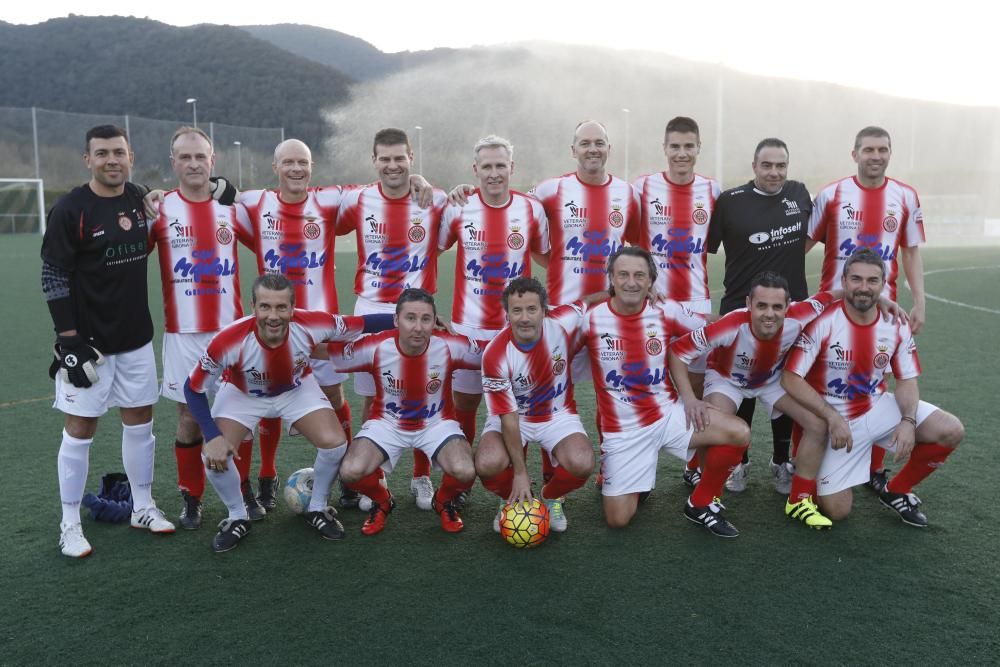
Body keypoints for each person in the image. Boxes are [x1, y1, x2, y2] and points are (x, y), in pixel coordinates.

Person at [669, 271, 906, 529]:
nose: (769, 314)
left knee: (817, 424)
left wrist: (881, 300)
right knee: (714, 425)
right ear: (748, 304)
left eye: (777, 307)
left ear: (788, 306)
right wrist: (690, 399)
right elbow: (678, 352)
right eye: (761, 306)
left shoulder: (801, 313)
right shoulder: (731, 324)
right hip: (727, 380)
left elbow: (833, 295)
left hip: (771, 381)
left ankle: (799, 499)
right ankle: (707, 493)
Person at [183, 273, 395, 552]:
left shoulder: (313, 323)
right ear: (253, 306)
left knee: (335, 444)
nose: (273, 315)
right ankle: (237, 516)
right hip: (242, 394)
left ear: (293, 308)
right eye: (265, 307)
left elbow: (365, 324)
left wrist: (409, 319)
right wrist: (211, 436)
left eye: (281, 307)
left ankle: (318, 507)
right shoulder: (230, 340)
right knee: (214, 455)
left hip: (294, 388)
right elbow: (192, 388)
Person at [41, 124, 174, 558]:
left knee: (141, 424)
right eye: (102, 153)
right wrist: (68, 340)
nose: (111, 160)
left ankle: (142, 506)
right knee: (80, 431)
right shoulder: (70, 209)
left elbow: (141, 190)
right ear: (88, 159)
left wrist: (148, 191)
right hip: (89, 346)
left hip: (135, 339)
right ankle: (70, 522)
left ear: (130, 156)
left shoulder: (138, 198)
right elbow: (53, 276)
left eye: (118, 152)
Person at [781, 248, 963, 527]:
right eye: (856, 279)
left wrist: (908, 420)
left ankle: (897, 490)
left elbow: (906, 380)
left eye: (872, 281)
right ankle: (812, 467)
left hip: (876, 407)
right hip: (835, 419)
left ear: (883, 284)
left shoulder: (895, 323)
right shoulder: (823, 320)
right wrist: (831, 417)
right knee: (837, 511)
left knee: (950, 430)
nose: (863, 287)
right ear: (844, 281)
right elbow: (791, 378)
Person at [580, 247, 750, 535]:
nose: (631, 282)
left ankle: (700, 502)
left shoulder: (666, 310)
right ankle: (635, 475)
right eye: (623, 275)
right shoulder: (590, 318)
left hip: (669, 415)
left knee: (739, 432)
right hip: (624, 433)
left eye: (639, 276)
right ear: (611, 278)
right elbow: (554, 319)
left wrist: (755, 323)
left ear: (651, 282)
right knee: (618, 519)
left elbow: (710, 325)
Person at [148, 126, 258, 531]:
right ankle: (191, 498)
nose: (193, 163)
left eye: (201, 157)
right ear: (173, 163)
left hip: (232, 334)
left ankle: (243, 488)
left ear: (213, 162)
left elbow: (273, 232)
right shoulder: (158, 210)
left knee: (239, 417)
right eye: (185, 157)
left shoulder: (231, 208)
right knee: (190, 419)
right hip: (184, 334)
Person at [806, 126, 928, 490]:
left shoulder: (905, 196)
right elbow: (804, 243)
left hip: (883, 309)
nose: (876, 156)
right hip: (831, 309)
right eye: (869, 150)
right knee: (818, 381)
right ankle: (799, 465)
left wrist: (919, 299)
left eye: (883, 149)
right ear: (854, 153)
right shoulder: (831, 194)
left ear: (890, 153)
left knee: (877, 380)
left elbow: (910, 251)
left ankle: (874, 470)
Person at [336, 128, 448, 511]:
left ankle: (420, 476)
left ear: (411, 158)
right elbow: (313, 206)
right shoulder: (359, 199)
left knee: (424, 391)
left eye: (399, 158)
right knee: (372, 398)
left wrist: (427, 184)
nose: (392, 165)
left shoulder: (434, 200)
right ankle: (375, 476)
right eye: (384, 158)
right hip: (370, 309)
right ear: (374, 161)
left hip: (416, 310)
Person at [319, 289, 483, 535]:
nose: (418, 327)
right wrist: (283, 338)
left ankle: (443, 501)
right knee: (351, 472)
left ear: (435, 321)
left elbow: (494, 352)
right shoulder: (377, 345)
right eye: (410, 318)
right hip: (387, 424)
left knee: (466, 471)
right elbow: (327, 352)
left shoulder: (449, 344)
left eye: (426, 319)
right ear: (396, 321)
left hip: (436, 423)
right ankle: (383, 501)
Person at [705, 138, 813, 494]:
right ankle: (741, 461)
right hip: (741, 308)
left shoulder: (799, 195)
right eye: (767, 165)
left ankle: (781, 461)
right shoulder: (730, 202)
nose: (774, 172)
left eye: (781, 165)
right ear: (754, 166)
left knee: (786, 384)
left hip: (789, 311)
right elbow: (704, 249)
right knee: (742, 386)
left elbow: (806, 240)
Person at [438, 135, 550, 449]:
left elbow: (544, 256)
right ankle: (458, 486)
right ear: (475, 169)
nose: (494, 173)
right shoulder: (458, 207)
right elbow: (432, 251)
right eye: (486, 166)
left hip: (516, 331)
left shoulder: (531, 209)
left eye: (500, 165)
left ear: (512, 167)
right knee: (464, 405)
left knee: (521, 409)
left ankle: (518, 485)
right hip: (468, 330)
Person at [633, 116, 721, 481]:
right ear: (664, 148)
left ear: (699, 148)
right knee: (636, 384)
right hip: (651, 305)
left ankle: (693, 465)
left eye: (689, 146)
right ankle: (626, 463)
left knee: (696, 388)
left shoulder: (714, 191)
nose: (682, 153)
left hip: (696, 305)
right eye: (675, 146)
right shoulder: (642, 188)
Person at [477, 277, 597, 533]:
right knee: (488, 462)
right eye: (517, 310)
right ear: (507, 314)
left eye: (532, 309)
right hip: (514, 417)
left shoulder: (561, 322)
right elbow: (508, 418)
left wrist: (621, 291)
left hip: (557, 414)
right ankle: (510, 496)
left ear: (545, 310)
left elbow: (587, 302)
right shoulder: (495, 354)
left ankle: (550, 495)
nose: (524, 318)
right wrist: (520, 473)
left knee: (582, 462)